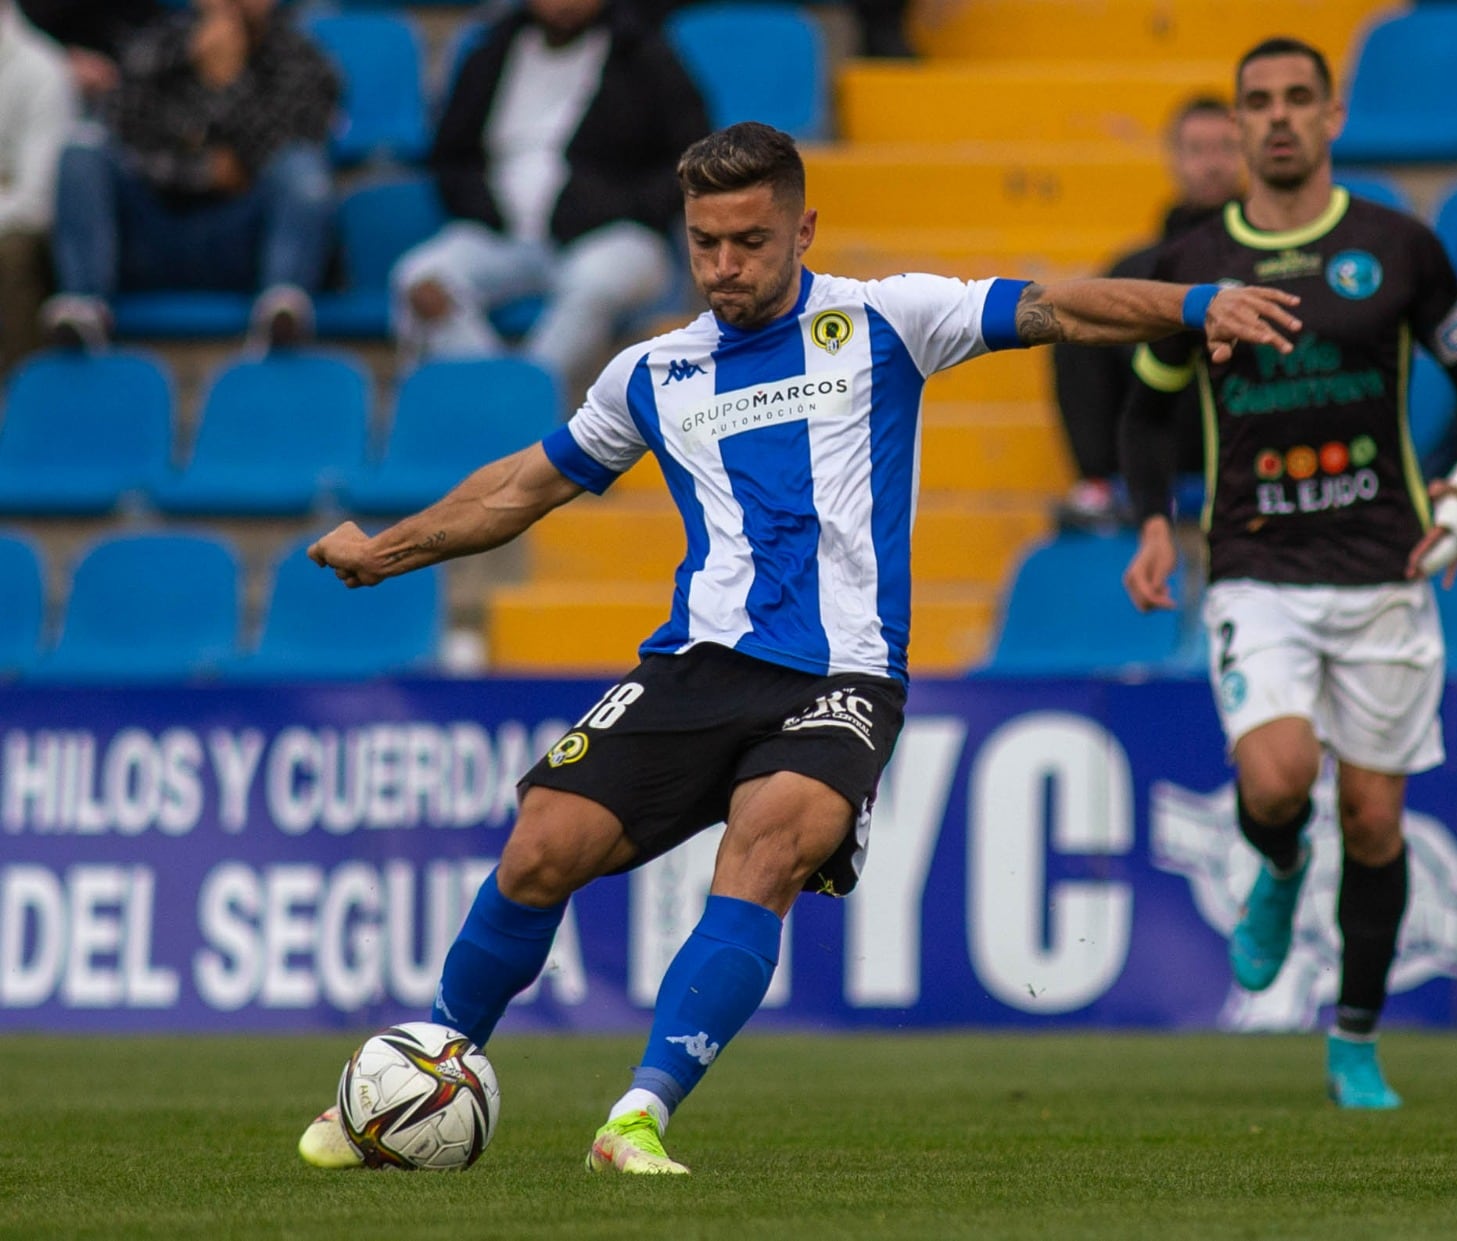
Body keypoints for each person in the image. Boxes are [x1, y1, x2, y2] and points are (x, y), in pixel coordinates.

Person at [296, 120, 1299, 1174]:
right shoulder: (653, 372)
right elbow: (522, 485)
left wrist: (1197, 305)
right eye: (704, 243)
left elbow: (1055, 302)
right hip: (697, 661)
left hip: (841, 672)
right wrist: (387, 548)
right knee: (541, 841)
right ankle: (424, 1071)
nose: (724, 266)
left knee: (772, 838)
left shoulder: (888, 321)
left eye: (749, 241)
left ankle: (635, 1116)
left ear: (802, 228)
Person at [1120, 38, 1457, 1109]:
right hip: (1254, 566)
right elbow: (1143, 410)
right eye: (1258, 102)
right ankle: (1279, 869)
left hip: (1384, 567)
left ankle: (1354, 1037)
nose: (1279, 118)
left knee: (1377, 822)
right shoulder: (1192, 265)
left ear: (1334, 117)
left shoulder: (1400, 248)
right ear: (1235, 125)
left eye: (1298, 99)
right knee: (1279, 778)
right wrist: (1154, 522)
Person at [392, 0, 709, 395]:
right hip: (503, 237)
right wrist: (480, 205)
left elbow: (691, 160)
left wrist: (620, 207)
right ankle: (508, 399)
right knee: (420, 280)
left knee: (593, 282)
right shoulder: (491, 51)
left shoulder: (644, 54)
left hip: (615, 237)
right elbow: (451, 156)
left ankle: (526, 404)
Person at [40, 0, 338, 352]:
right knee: (82, 150)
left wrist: (227, 83)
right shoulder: (155, 50)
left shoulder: (303, 60)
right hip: (155, 232)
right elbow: (124, 131)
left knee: (301, 166)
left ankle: (280, 308)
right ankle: (85, 305)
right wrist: (203, 170)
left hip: (243, 242)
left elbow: (281, 145)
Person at [1053, 95, 1243, 526]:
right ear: (1174, 159)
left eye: (1225, 148)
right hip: (1160, 435)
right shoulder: (1135, 268)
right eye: (1197, 150)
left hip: (1247, 436)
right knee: (1076, 322)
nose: (1212, 164)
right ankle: (1101, 485)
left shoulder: (1274, 259)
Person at [0, 1, 74, 374]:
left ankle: (20, 400)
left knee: (11, 253)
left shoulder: (42, 68)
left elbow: (36, 202)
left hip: (23, 226)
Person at [17, 0, 161, 102]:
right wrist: (61, 58)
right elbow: (18, 32)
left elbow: (153, 27)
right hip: (56, 76)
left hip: (128, 80)